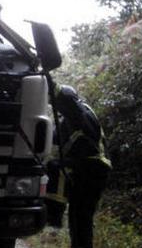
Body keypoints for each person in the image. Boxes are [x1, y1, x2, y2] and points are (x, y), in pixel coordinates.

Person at [46, 85, 112, 248]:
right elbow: (54, 138)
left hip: (92, 170)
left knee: (81, 220)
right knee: (79, 220)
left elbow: (66, 100)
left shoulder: (79, 113)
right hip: (87, 170)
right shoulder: (71, 119)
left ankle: (54, 214)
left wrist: (49, 84)